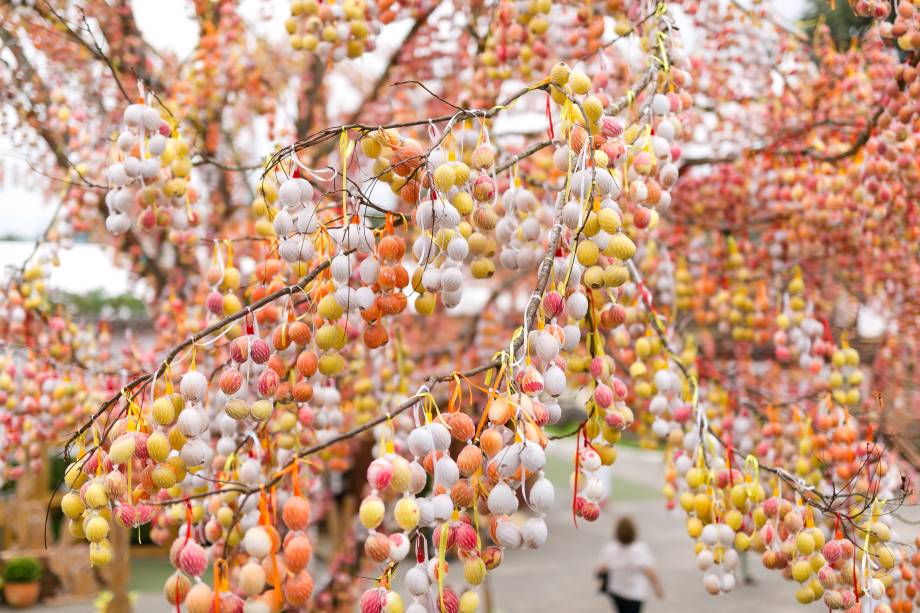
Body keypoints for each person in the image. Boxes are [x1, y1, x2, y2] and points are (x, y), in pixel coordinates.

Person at [596, 516, 664, 613]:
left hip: (616, 590)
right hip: (636, 593)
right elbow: (650, 572)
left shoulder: (610, 549)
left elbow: (602, 568)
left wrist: (601, 580)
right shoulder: (640, 550)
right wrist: (657, 588)